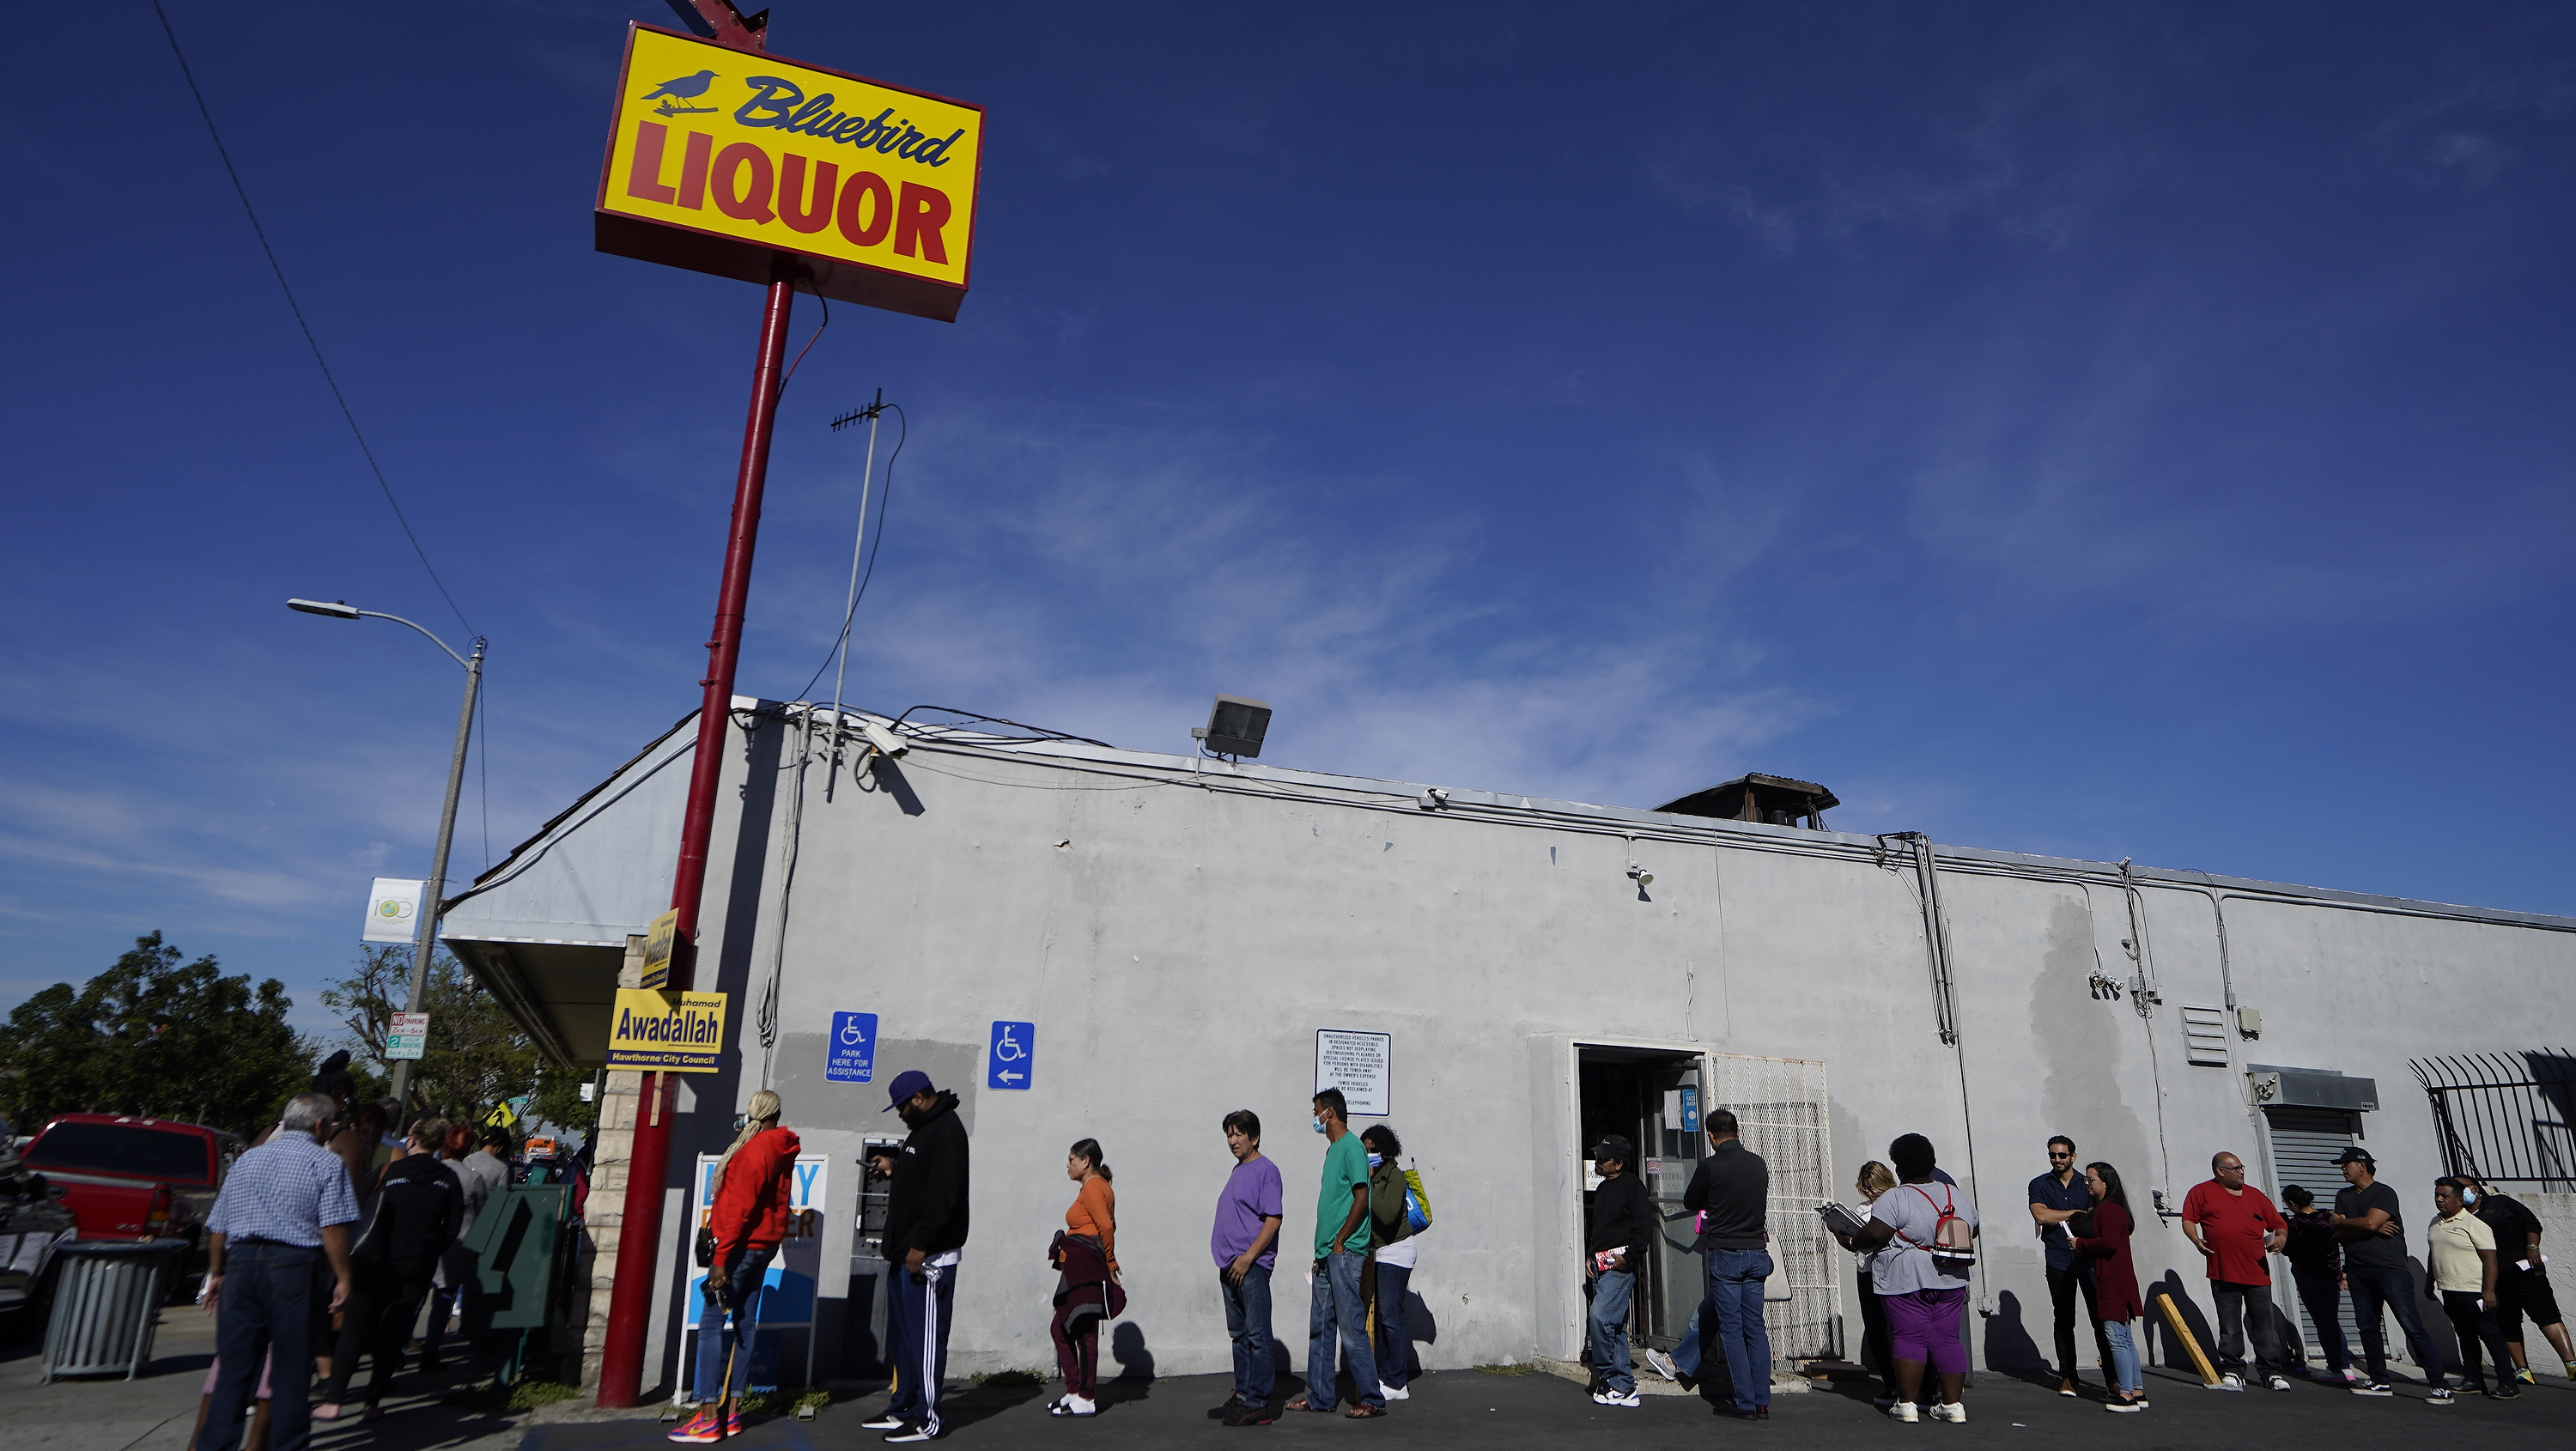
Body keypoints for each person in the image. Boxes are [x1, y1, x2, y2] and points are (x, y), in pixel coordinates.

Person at [196, 1091, 359, 1451]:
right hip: (294, 1266)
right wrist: (344, 1278)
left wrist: (216, 1272)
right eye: (331, 1123)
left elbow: (219, 1226)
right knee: (290, 1370)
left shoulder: (248, 1159)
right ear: (319, 1125)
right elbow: (333, 1229)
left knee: (233, 1371)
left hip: (241, 1264)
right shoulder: (326, 1163)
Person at [671, 1090, 800, 1443]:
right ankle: (733, 1413)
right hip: (765, 1246)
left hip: (740, 1247)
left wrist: (720, 1260)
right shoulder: (781, 1146)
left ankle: (710, 1416)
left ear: (753, 1112)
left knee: (711, 1323)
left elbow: (740, 1209)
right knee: (745, 1323)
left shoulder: (755, 1150)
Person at [319, 1116, 461, 1421]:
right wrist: (429, 1250)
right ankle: (373, 1403)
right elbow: (452, 1230)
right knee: (392, 1334)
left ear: (412, 1140)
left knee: (354, 1330)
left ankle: (333, 1400)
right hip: (416, 1265)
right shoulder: (448, 1180)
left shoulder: (391, 1171)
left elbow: (357, 1207)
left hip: (374, 1261)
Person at [1838, 1133, 1977, 1424]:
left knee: (1909, 1338)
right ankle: (1952, 1406)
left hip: (1906, 1279)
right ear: (1932, 1162)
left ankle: (1907, 1404)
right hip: (1951, 1277)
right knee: (1948, 1340)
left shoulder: (1896, 1197)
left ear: (1899, 1168)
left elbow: (1874, 1235)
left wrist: (1848, 1238)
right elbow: (1972, 1228)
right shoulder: (1954, 1193)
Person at [861, 1072, 969, 1445]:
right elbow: (922, 1177)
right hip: (906, 1254)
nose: (900, 1114)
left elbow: (944, 1195)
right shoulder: (924, 1129)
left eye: (903, 1106)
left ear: (920, 1098)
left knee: (926, 1341)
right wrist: (894, 1167)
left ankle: (928, 1419)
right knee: (906, 1339)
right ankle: (903, 1409)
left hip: (928, 1258)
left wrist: (921, 1245)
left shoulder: (947, 1131)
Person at [1286, 1089, 1383, 1418]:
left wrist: (1341, 1239)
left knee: (1352, 1326)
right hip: (1326, 1255)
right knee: (1321, 1327)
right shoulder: (1333, 1151)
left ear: (1330, 1112)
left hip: (1344, 1253)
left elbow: (1361, 1198)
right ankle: (1320, 1397)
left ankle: (1372, 1398)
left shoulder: (1352, 1148)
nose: (1314, 1118)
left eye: (1316, 1112)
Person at [1672, 1109, 1771, 1419]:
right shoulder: (1758, 1164)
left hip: (1726, 1252)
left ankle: (1743, 1402)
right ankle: (1761, 1401)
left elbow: (1690, 1201)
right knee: (1755, 1328)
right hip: (1756, 1252)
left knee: (1731, 1329)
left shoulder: (1710, 1166)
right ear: (1738, 1131)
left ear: (1711, 1136)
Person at [2330, 1146, 2447, 1399]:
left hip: (2389, 1270)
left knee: (2411, 1325)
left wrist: (2355, 1224)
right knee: (2368, 1327)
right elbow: (2338, 1230)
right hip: (2358, 1270)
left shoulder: (2384, 1193)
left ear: (2362, 1165)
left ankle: (2439, 1384)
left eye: (2346, 1164)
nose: (2342, 1169)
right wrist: (2366, 1227)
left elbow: (2366, 1222)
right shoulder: (2343, 1195)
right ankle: (2379, 1380)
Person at [2181, 1150, 2291, 1391]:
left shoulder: (2256, 1196)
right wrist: (2196, 1240)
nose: (2241, 1172)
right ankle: (2233, 1370)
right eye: (2236, 1168)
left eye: (2242, 1167)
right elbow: (2188, 1219)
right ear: (2220, 1171)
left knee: (2264, 1324)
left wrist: (2281, 1239)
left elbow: (2278, 1224)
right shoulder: (2201, 1192)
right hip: (2222, 1271)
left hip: (2256, 1272)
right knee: (2229, 1325)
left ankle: (2271, 1372)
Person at [2457, 1172, 2576, 1383]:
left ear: (2475, 1187)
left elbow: (2531, 1223)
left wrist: (2532, 1248)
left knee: (2547, 1316)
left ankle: (2571, 1364)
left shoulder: (2501, 1204)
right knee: (2507, 1323)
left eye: (2463, 1186)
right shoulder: (2460, 1218)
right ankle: (2523, 1370)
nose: (2461, 1192)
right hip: (2493, 1280)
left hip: (2524, 1271)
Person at [1211, 1110, 1285, 1427]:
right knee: (1239, 1335)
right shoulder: (1239, 1169)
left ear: (1254, 1137)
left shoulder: (1266, 1170)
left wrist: (1248, 1257)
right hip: (1230, 1265)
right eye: (1229, 1134)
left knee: (1257, 1335)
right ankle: (1243, 1395)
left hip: (1249, 1267)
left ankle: (1258, 1402)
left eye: (1239, 1134)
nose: (1232, 1140)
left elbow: (1274, 1219)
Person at [2028, 1135, 2116, 1398]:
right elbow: (2041, 1215)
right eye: (2053, 1155)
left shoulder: (2086, 1183)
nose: (2057, 1160)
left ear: (2073, 1157)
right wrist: (2078, 1214)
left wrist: (2063, 1214)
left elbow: (2100, 1213)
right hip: (2058, 1259)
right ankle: (2068, 1377)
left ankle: (2112, 1377)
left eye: (2062, 1155)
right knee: (2064, 1320)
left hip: (2088, 1258)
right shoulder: (2039, 1184)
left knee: (2100, 1319)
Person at [422, 1126, 512, 1371]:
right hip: (461, 1240)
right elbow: (490, 1209)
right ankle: (434, 1348)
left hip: (426, 1241)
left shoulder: (437, 1170)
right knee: (446, 1296)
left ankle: (400, 1349)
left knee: (419, 1297)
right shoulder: (495, 1171)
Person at [1045, 1138, 1119, 1418]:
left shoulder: (1092, 1186)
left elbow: (1106, 1226)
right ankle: (1074, 1391)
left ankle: (1086, 1398)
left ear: (1085, 1162)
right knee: (1064, 1327)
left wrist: (1109, 1262)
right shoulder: (1096, 1187)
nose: (1068, 1165)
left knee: (1083, 1331)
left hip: (1087, 1269)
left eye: (1071, 1160)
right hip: (1080, 1268)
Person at [2425, 1177, 2517, 1401]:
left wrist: (2489, 1291)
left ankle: (2508, 1383)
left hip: (2475, 1291)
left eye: (2445, 1196)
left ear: (2459, 1200)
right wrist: (2430, 1282)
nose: (2439, 1200)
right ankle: (2473, 1379)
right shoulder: (2435, 1222)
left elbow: (2490, 1261)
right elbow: (2434, 1254)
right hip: (2450, 1290)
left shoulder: (2475, 1225)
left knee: (2491, 1336)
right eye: (2437, 1195)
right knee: (2465, 1336)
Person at [2070, 1161, 2148, 1412]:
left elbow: (2108, 1243)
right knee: (2124, 1338)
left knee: (2117, 1338)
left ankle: (2126, 1394)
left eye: (2091, 1179)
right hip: (2116, 1279)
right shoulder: (2108, 1209)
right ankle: (2136, 1390)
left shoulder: (2110, 1210)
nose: (2087, 1184)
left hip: (2112, 1281)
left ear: (2105, 1182)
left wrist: (2080, 1243)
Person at [1579, 1134, 1650, 1409]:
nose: (1597, 1162)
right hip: (1599, 1266)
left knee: (1599, 1317)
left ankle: (1608, 1378)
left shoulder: (1633, 1187)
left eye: (1602, 1159)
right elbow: (1599, 1228)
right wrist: (1590, 1255)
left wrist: (1629, 1258)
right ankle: (1624, 1385)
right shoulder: (1603, 1189)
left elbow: (1644, 1228)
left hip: (1620, 1268)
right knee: (1617, 1327)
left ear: (1618, 1164)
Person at [1360, 1125, 1420, 1402]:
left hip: (1397, 1251)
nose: (1368, 1154)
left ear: (1383, 1150)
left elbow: (1386, 1215)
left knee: (1391, 1318)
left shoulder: (1393, 1176)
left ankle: (1398, 1382)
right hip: (1381, 1252)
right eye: (1365, 1149)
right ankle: (1385, 1376)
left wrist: (1368, 1186)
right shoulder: (1373, 1176)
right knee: (1383, 1318)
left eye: (1371, 1149)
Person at [2279, 1186, 2356, 1385]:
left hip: (2309, 1277)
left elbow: (2288, 1250)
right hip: (2332, 1275)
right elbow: (2346, 1242)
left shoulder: (2296, 1224)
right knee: (2332, 1320)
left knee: (2322, 1323)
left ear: (2292, 1204)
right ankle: (2346, 1367)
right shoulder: (2329, 1217)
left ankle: (2335, 1367)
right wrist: (2345, 1271)